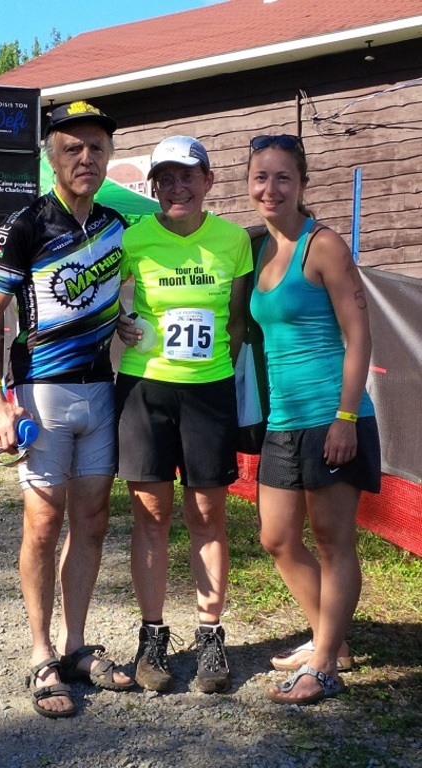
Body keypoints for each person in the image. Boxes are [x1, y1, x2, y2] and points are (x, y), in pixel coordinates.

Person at [0, 100, 134, 719]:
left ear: (109, 154)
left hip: (100, 391)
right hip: (41, 393)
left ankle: (75, 647)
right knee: (43, 525)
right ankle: (41, 654)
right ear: (52, 156)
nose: (86, 158)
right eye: (72, 148)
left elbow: (113, 297)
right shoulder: (27, 224)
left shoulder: (119, 225)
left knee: (92, 521)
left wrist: (124, 320)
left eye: (96, 147)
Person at [246, 134, 381, 705]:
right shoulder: (260, 250)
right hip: (284, 421)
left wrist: (346, 416)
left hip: (335, 415)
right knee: (276, 539)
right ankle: (334, 638)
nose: (270, 188)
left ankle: (323, 662)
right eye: (260, 177)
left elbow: (360, 335)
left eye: (283, 177)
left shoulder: (321, 245)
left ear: (302, 184)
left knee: (332, 541)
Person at [115, 136, 252, 694]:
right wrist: (120, 325)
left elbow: (240, 319)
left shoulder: (234, 239)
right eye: (165, 178)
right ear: (154, 186)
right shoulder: (133, 239)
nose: (177, 187)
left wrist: (220, 370)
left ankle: (211, 633)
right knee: (150, 516)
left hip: (207, 392)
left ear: (208, 182)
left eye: (187, 176)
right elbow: (104, 302)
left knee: (206, 515)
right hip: (146, 391)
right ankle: (152, 636)